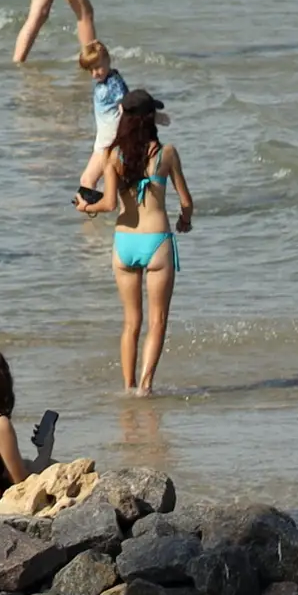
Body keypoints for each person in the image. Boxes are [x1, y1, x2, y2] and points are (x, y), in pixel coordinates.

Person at [78, 91, 190, 396]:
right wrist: (185, 220)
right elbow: (186, 201)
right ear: (149, 118)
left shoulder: (112, 156)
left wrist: (85, 207)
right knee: (157, 321)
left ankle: (127, 387)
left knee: (131, 322)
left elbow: (109, 204)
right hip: (156, 243)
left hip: (124, 243)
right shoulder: (166, 154)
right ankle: (145, 386)